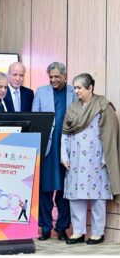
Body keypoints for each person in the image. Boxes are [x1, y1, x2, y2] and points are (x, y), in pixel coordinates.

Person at [61, 73, 120, 245]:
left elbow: (110, 135)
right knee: (75, 197)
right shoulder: (72, 108)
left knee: (97, 197)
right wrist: (64, 155)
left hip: (97, 160)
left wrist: (105, 157)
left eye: (79, 88)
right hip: (75, 160)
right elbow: (65, 133)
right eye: (75, 88)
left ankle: (97, 233)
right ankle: (78, 232)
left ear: (90, 88)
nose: (76, 91)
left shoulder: (103, 106)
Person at [32, 62, 77, 241]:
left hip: (68, 148)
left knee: (65, 190)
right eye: (50, 76)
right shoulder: (41, 92)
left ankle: (62, 227)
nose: (53, 80)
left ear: (65, 76)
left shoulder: (74, 92)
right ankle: (44, 227)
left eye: (56, 76)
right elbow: (36, 119)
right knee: (45, 189)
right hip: (48, 149)